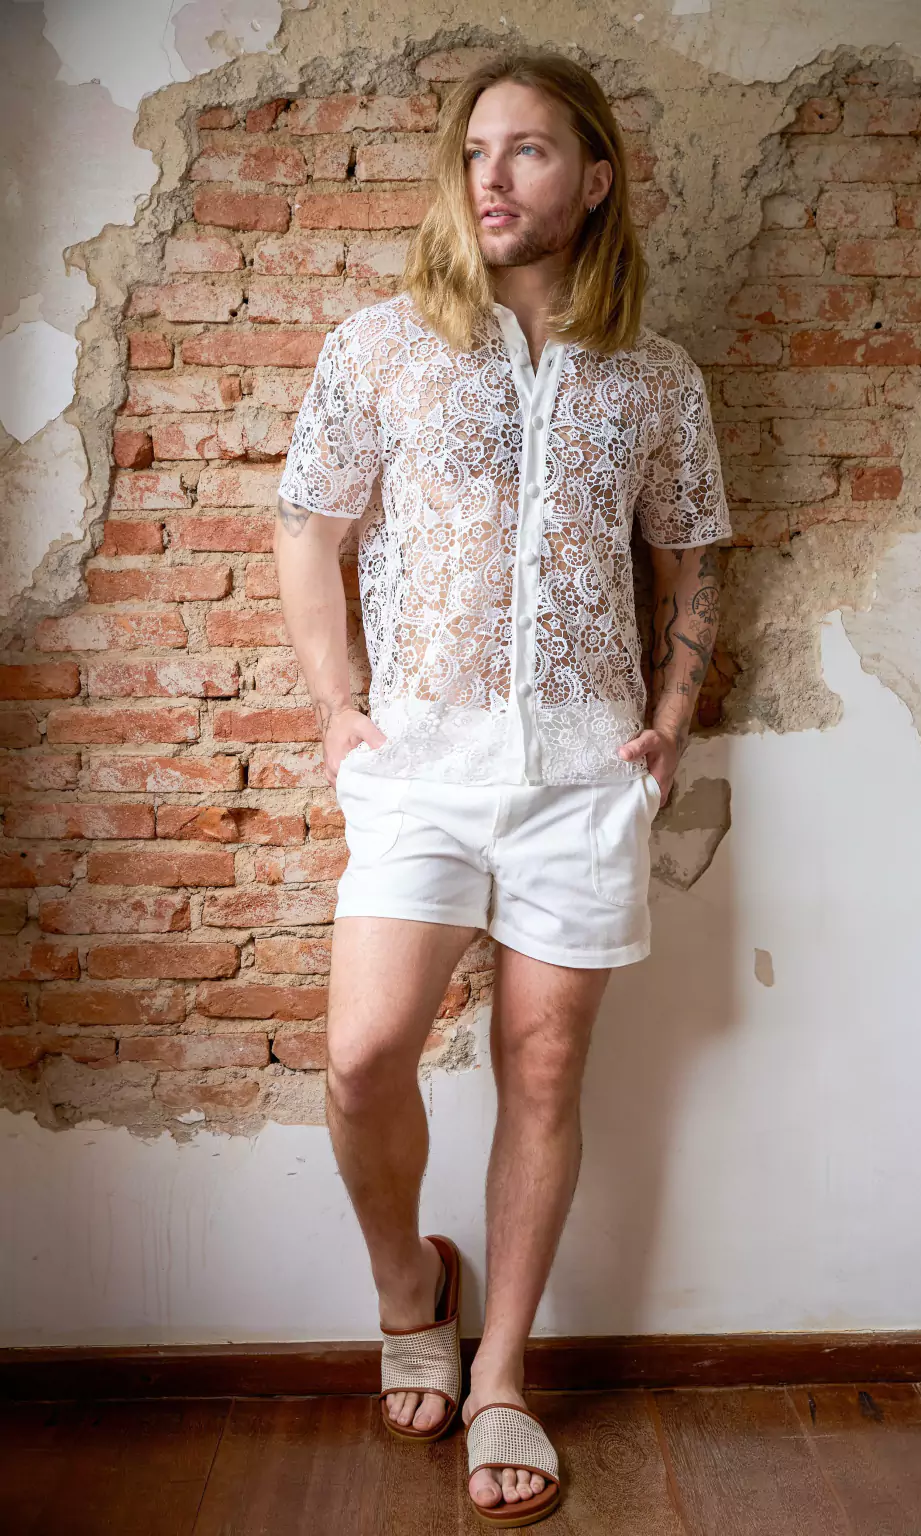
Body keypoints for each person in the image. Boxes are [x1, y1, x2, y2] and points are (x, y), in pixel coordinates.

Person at [274, 49, 730, 1527]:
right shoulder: (380, 346)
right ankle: (411, 1286)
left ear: (593, 180)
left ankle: (506, 1375)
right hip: (420, 765)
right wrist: (338, 707)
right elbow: (309, 529)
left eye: (528, 150)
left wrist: (671, 718)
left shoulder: (656, 376)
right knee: (363, 1056)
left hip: (585, 774)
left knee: (542, 1072)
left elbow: (691, 559)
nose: (492, 175)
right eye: (476, 150)